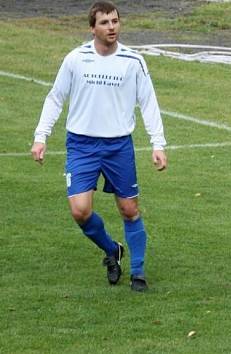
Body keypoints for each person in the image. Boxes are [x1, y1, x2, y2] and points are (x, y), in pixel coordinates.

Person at [30, 1, 167, 292]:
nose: (112, 27)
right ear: (92, 28)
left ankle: (138, 272)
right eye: (104, 23)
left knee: (129, 209)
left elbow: (149, 103)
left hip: (118, 145)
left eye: (115, 21)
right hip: (81, 144)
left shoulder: (133, 61)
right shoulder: (76, 59)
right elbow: (56, 98)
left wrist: (158, 143)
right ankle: (112, 249)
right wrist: (41, 136)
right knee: (80, 210)